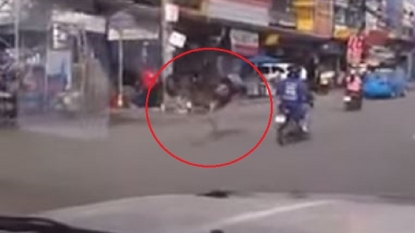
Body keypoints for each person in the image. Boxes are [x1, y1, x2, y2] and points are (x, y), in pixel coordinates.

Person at [276, 65, 312, 133]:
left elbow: (278, 92)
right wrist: (309, 99)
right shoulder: (300, 83)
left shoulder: (283, 82)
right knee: (306, 111)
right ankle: (304, 127)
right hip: (296, 106)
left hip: (283, 104)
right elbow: (305, 93)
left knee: (281, 111)